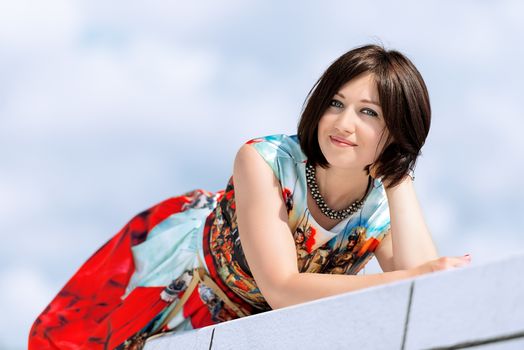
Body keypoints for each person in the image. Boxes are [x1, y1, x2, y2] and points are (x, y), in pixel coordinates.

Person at [28, 44, 472, 349]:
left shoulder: (380, 206)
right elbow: (281, 288)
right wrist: (401, 280)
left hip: (251, 325)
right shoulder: (263, 161)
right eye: (336, 103)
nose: (344, 123)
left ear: (397, 130)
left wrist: (398, 175)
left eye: (369, 113)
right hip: (182, 289)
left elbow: (427, 290)